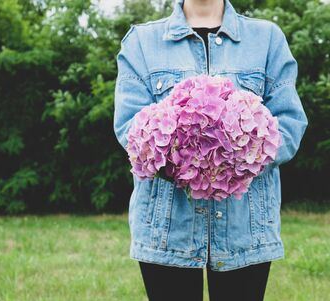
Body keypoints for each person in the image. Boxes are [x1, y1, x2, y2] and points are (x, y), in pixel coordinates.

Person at [113, 0, 308, 300]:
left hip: (246, 232)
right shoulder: (141, 42)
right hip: (166, 232)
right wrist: (192, 164)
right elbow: (129, 129)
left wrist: (234, 161)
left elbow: (290, 124)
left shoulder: (267, 39)